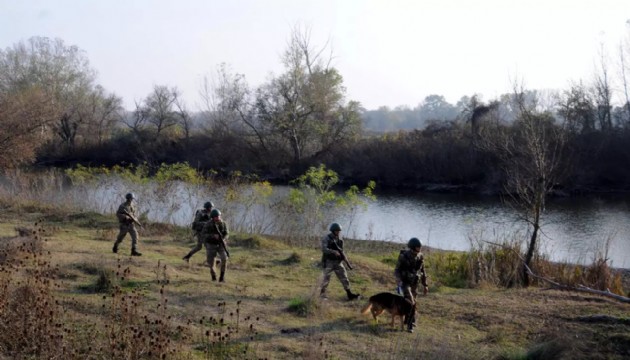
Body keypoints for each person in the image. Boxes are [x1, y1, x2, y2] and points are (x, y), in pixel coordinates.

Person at [394, 237, 429, 333]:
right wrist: (398, 280)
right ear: (413, 247)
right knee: (411, 302)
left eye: (420, 247)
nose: (420, 249)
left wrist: (425, 285)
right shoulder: (404, 256)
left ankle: (408, 320)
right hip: (405, 282)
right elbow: (397, 270)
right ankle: (410, 325)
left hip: (414, 283)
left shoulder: (420, 257)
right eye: (418, 247)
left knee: (413, 303)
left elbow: (423, 271)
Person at [319, 223, 360, 300]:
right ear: (333, 231)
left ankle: (349, 294)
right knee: (326, 278)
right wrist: (333, 251)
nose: (338, 232)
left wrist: (345, 259)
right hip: (328, 262)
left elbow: (342, 250)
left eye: (339, 231)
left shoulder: (340, 240)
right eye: (336, 231)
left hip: (338, 262)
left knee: (344, 277)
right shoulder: (327, 238)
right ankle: (322, 294)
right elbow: (324, 249)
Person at [200, 208, 229, 282]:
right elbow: (203, 234)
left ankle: (222, 277)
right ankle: (214, 276)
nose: (218, 218)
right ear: (213, 217)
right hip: (211, 244)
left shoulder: (223, 223)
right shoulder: (208, 224)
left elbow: (227, 233)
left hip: (221, 244)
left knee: (224, 258)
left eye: (219, 216)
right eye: (216, 216)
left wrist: (224, 238)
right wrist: (212, 236)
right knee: (211, 262)